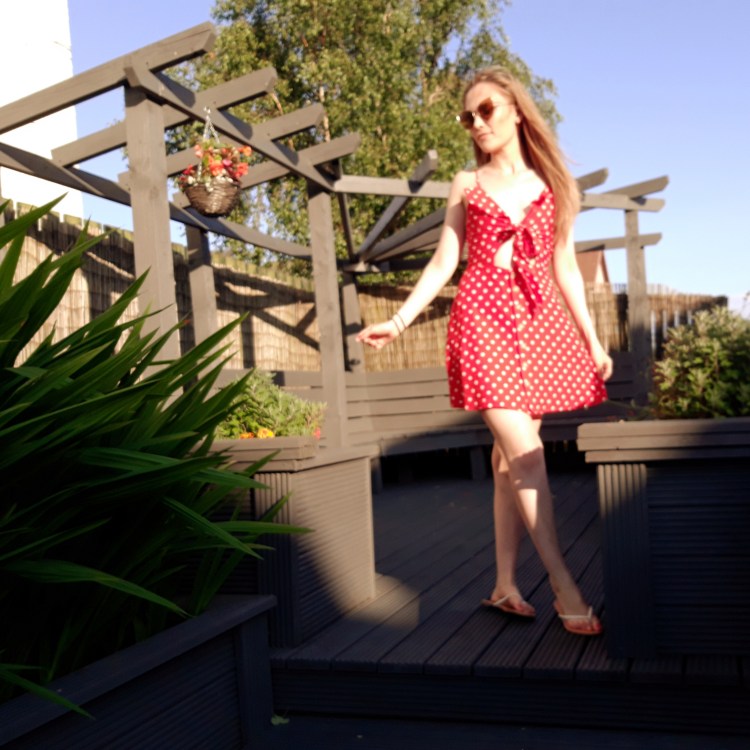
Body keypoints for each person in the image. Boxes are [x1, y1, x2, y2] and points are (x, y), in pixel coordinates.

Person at [356, 66, 613, 636]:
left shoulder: (553, 184)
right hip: (482, 321)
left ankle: (504, 585)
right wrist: (398, 321)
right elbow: (444, 261)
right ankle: (564, 586)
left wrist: (593, 339)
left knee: (505, 464)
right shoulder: (466, 183)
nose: (476, 123)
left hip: (541, 325)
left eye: (486, 110)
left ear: (516, 110)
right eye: (467, 116)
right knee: (527, 456)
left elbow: (566, 267)